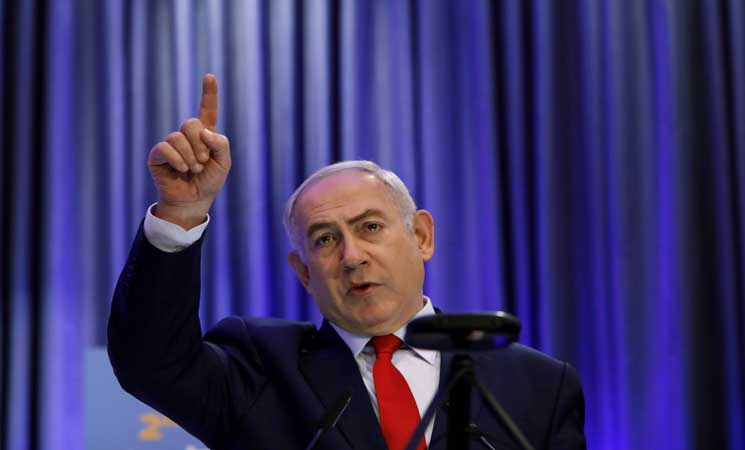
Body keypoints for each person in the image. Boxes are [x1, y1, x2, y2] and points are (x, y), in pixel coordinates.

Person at [108, 74, 586, 450]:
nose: (352, 256)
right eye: (324, 240)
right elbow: (151, 365)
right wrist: (182, 213)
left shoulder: (539, 385)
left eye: (370, 227)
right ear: (303, 272)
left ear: (421, 236)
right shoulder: (260, 368)